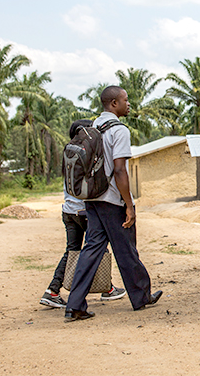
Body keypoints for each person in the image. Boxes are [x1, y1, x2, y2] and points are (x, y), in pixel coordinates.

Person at [64, 86, 162, 321]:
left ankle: (75, 304)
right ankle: (141, 297)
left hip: (92, 199)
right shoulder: (119, 131)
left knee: (92, 249)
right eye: (125, 100)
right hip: (111, 200)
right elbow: (119, 170)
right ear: (113, 104)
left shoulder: (92, 127)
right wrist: (128, 204)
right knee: (126, 248)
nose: (128, 104)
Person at [40, 119, 126, 309]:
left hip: (68, 211)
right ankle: (107, 288)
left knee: (73, 251)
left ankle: (53, 290)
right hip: (85, 211)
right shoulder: (89, 152)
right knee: (96, 249)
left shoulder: (70, 151)